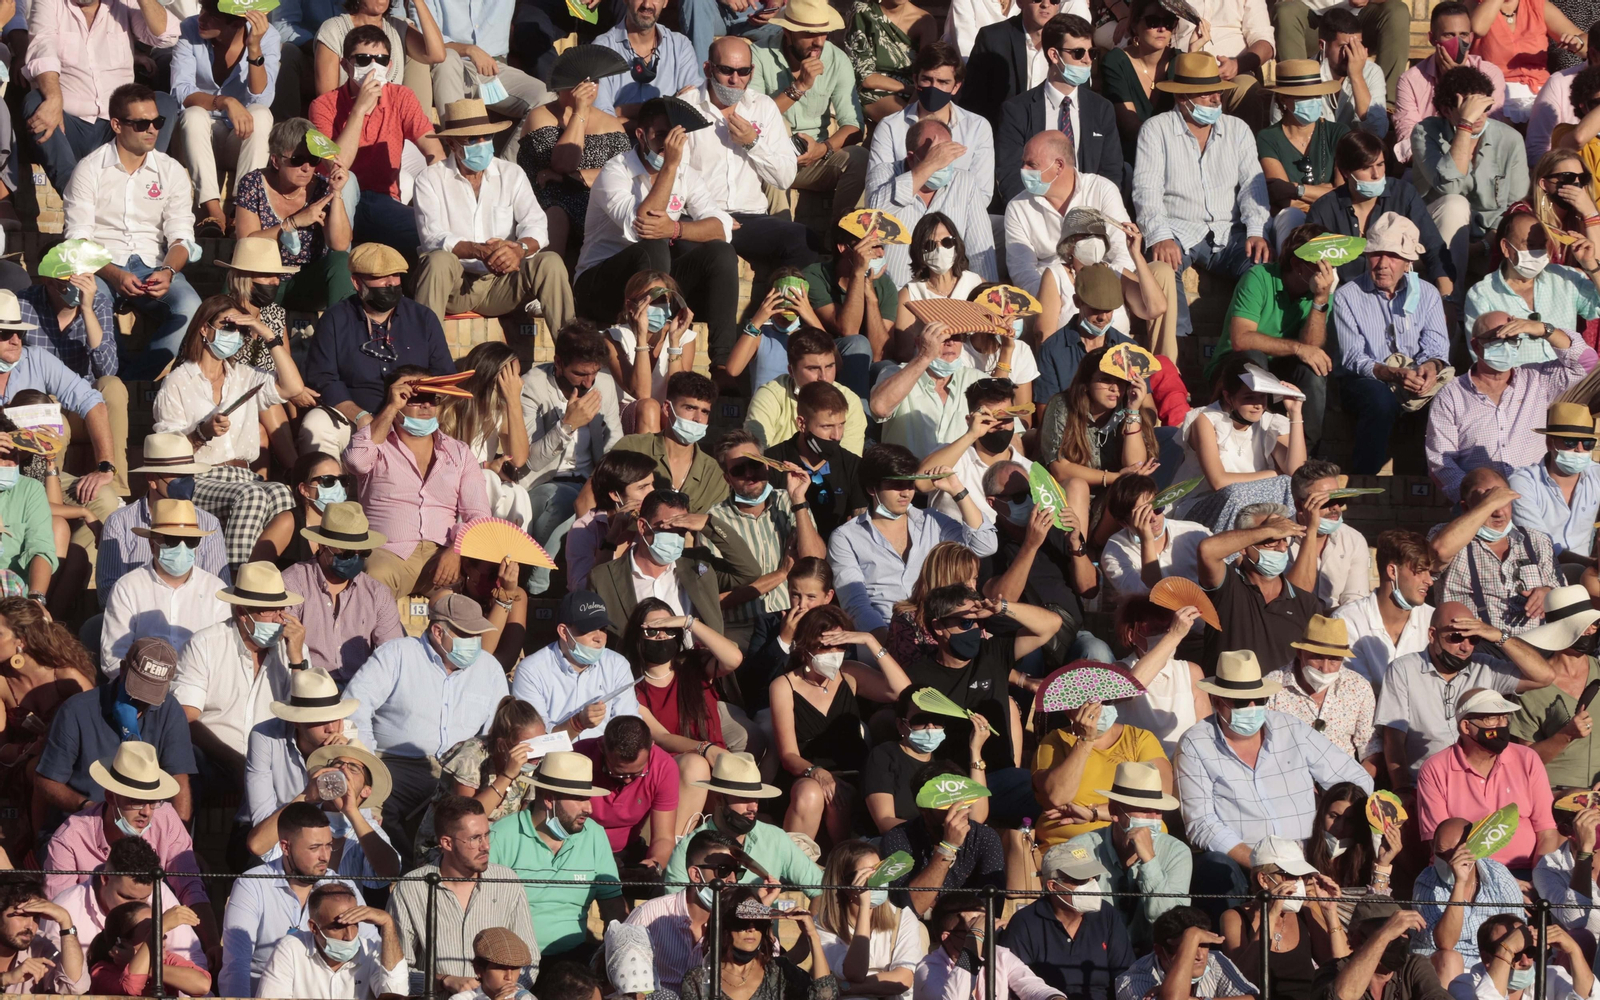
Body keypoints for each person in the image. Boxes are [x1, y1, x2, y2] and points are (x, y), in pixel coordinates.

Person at [574, 98, 738, 371]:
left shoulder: (687, 174)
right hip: (600, 284)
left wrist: (677, 228)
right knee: (654, 247)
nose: (668, 145)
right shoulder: (615, 172)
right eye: (661, 135)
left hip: (654, 277)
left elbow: (720, 227)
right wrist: (670, 167)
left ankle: (722, 365)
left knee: (721, 253)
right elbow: (643, 225)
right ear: (640, 135)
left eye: (675, 136)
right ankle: (648, 353)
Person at [1174, 650, 1373, 868]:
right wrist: (1260, 863)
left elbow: (1357, 780)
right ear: (1216, 701)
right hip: (1243, 864)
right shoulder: (1195, 743)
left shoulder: (1290, 728)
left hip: (1309, 857)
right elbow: (1201, 823)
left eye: (1259, 700)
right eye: (1240, 702)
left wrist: (1335, 832)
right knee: (1214, 865)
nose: (1252, 708)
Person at [150, 295, 301, 572]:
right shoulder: (178, 382)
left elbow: (292, 387)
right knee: (252, 496)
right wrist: (202, 433)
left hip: (243, 474)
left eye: (240, 329)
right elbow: (165, 451)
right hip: (201, 476)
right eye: (227, 325)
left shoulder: (244, 376)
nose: (235, 334)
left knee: (281, 493)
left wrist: (267, 333)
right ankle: (228, 576)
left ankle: (251, 575)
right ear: (205, 329)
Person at [64, 84, 201, 381]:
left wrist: (167, 270)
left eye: (157, 122)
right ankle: (112, 378)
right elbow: (77, 241)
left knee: (191, 307)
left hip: (152, 263)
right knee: (92, 301)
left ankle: (132, 383)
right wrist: (113, 274)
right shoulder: (89, 169)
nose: (152, 130)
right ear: (116, 125)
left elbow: (182, 237)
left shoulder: (172, 171)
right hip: (101, 265)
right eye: (141, 124)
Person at [344, 593, 508, 840]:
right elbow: (355, 705)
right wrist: (369, 764)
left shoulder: (489, 668)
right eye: (466, 635)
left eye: (478, 634)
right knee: (372, 822)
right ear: (438, 632)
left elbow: (497, 729)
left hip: (462, 772)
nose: (475, 641)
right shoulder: (397, 654)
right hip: (396, 766)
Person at [1133, 53, 1269, 340]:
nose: (1216, 98)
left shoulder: (1238, 130)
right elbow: (1147, 190)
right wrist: (1159, 235)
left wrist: (1256, 230)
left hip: (1229, 230)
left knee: (1262, 270)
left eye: (1217, 90)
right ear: (1183, 97)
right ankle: (1178, 353)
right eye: (1206, 93)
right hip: (1178, 229)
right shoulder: (1156, 130)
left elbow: (1252, 187)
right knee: (1164, 268)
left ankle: (1244, 348)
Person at [412, 99, 574, 331]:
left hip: (502, 284)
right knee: (438, 260)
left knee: (550, 262)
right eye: (472, 139)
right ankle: (425, 359)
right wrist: (478, 250)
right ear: (451, 143)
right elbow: (432, 238)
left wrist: (519, 249)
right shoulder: (430, 179)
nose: (482, 144)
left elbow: (536, 224)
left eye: (486, 137)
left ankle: (572, 355)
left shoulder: (511, 173)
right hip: (455, 286)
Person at [1004, 135, 1170, 356]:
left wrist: (1102, 286)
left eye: (1031, 164)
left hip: (1106, 276)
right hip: (1050, 289)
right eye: (1023, 163)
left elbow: (1121, 251)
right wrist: (1057, 294)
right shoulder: (1017, 206)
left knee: (1163, 273)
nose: (1023, 170)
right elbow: (1021, 270)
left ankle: (1166, 366)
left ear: (1058, 165)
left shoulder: (1102, 189)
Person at [42, 742, 214, 947]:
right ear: (110, 796)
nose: (147, 812)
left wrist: (212, 945)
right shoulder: (69, 839)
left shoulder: (166, 817)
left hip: (150, 943)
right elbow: (58, 915)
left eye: (154, 801)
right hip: (86, 949)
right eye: (137, 801)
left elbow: (191, 887)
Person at [1375, 601, 1554, 792]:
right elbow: (1393, 738)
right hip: (1426, 785)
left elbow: (1545, 676)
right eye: (1456, 637)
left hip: (1483, 785)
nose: (1466, 647)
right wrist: (1403, 790)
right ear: (1432, 635)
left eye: (1474, 639)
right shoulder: (1404, 669)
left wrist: (1499, 637)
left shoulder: (1485, 667)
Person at [299, 243, 456, 459]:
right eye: (381, 277)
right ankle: (329, 484)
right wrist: (360, 416)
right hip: (355, 417)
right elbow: (323, 378)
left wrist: (415, 404)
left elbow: (444, 373)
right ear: (357, 282)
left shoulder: (423, 318)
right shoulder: (335, 319)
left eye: (395, 275)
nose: (390, 283)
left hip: (411, 415)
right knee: (316, 424)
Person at [345, 367, 492, 598]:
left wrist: (457, 549)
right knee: (374, 577)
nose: (425, 405)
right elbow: (356, 462)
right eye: (414, 397)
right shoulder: (376, 443)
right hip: (389, 552)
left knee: (458, 614)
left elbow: (480, 515)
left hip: (443, 556)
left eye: (431, 397)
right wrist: (391, 408)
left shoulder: (459, 452)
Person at [770, 604, 911, 841]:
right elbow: (788, 755)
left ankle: (841, 865)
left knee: (838, 796)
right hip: (806, 775)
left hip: (853, 776)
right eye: (826, 646)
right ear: (805, 647)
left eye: (841, 645)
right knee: (811, 791)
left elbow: (905, 693)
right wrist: (816, 772)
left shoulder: (851, 674)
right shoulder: (784, 685)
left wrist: (870, 641)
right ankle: (792, 868)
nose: (834, 652)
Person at [828, 444, 997, 639]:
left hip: (939, 635)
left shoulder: (933, 521)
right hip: (883, 639)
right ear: (872, 489)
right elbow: (856, 605)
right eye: (896, 484)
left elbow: (985, 545)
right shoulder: (845, 537)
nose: (906, 493)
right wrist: (892, 644)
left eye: (910, 484)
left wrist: (957, 490)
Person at [1427, 312, 1598, 503]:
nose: (1507, 346)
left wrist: (1543, 329)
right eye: (1498, 339)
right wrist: (1473, 496)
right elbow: (1440, 460)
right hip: (1480, 505)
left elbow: (1586, 362)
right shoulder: (1451, 395)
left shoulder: (1537, 380)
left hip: (1536, 500)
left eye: (1513, 339)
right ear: (1476, 345)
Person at [171, 561, 308, 795]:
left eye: (281, 609)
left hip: (276, 763)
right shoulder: (205, 644)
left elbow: (306, 719)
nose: (279, 619)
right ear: (242, 613)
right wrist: (234, 762)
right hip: (215, 759)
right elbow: (187, 718)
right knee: (186, 762)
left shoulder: (294, 650)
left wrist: (296, 661)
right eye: (268, 610)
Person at [1332, 213, 1453, 474]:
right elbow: (1354, 358)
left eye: (1394, 256)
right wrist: (1392, 374)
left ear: (1409, 261)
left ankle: (1433, 484)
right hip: (1367, 380)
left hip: (1415, 377)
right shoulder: (1347, 296)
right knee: (1379, 399)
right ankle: (1363, 479)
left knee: (1450, 395)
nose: (1383, 264)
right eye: (1376, 254)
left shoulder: (1428, 294)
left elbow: (1436, 347)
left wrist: (1429, 368)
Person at [682, 37, 814, 275]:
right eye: (726, 70)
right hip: (699, 216)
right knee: (715, 257)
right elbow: (676, 176)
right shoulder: (685, 106)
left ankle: (786, 309)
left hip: (749, 218)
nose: (735, 80)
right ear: (707, 68)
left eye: (743, 71)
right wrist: (712, 216)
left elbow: (785, 178)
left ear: (752, 72)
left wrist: (753, 143)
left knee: (803, 238)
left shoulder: (763, 107)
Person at [307, 27, 444, 252]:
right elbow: (337, 168)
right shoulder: (323, 106)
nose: (373, 66)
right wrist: (359, 110)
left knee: (431, 238)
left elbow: (435, 153)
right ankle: (340, 271)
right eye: (362, 59)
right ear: (345, 65)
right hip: (336, 201)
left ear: (389, 66)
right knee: (348, 179)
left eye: (381, 59)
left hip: (383, 201)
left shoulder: (402, 96)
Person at [21, 0, 180, 195]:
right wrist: (54, 98)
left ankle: (133, 192)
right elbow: (42, 49)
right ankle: (77, 197)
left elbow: (167, 36)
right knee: (36, 102)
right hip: (68, 125)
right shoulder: (49, 3)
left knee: (163, 104)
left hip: (119, 128)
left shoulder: (123, 3)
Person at [387, 795, 539, 997]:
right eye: (475, 838)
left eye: (487, 835)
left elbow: (530, 960)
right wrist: (444, 981)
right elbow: (395, 972)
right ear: (447, 843)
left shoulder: (507, 882)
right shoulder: (411, 888)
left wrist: (508, 993)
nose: (486, 846)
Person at [32, 639, 195, 823]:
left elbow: (179, 778)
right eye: (138, 688)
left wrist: (180, 837)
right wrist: (89, 808)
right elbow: (47, 780)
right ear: (123, 668)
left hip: (145, 824)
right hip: (84, 823)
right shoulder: (77, 710)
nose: (142, 699)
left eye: (152, 692)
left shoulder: (170, 711)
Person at [519, 324, 625, 594]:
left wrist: (598, 483)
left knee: (582, 505)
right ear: (558, 363)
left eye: (593, 372)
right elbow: (529, 460)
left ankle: (541, 585)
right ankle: (540, 585)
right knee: (563, 502)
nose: (588, 382)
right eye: (580, 373)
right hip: (543, 482)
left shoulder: (604, 384)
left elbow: (614, 445)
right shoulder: (532, 386)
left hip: (592, 479)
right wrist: (566, 426)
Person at [218, 803, 365, 997]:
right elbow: (236, 964)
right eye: (314, 847)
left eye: (328, 846)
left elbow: (370, 947)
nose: (324, 856)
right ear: (285, 847)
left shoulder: (341, 886)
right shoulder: (252, 884)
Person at [17, 248, 130, 499]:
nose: (77, 285)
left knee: (112, 385)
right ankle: (47, 494)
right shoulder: (24, 303)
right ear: (47, 280)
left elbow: (107, 368)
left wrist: (87, 310)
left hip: (87, 407)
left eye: (83, 277)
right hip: (45, 406)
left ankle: (115, 489)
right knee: (57, 417)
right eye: (68, 281)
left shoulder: (97, 301)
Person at [1207, 226, 1334, 449]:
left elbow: (1311, 349)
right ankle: (1249, 443)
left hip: (1282, 369)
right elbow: (1241, 339)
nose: (1328, 271)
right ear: (1297, 265)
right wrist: (1297, 348)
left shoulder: (1321, 292)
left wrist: (1320, 300)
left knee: (1312, 370)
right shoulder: (1259, 277)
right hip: (1235, 366)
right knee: (1254, 358)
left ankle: (1306, 452)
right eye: (1321, 263)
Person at [488, 750, 623, 958]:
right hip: (511, 961)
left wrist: (613, 955)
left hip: (574, 961)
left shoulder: (594, 834)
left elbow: (613, 906)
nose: (589, 808)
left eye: (588, 799)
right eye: (579, 799)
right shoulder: (501, 835)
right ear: (550, 799)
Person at [1412, 68, 1530, 299]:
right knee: (1455, 204)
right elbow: (1449, 187)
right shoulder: (1424, 132)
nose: (1480, 116)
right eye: (1471, 109)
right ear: (1446, 110)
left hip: (1493, 238)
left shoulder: (1510, 139)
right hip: (1434, 236)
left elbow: (1515, 205)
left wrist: (1485, 244)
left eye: (1484, 108)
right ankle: (1449, 306)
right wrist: (1464, 127)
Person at [979, 458, 1111, 664]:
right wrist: (1030, 545)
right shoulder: (987, 543)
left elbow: (1090, 590)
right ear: (993, 503)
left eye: (1032, 492)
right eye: (1020, 496)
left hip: (1071, 634)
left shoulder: (1055, 529)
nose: (1031, 501)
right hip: (1022, 639)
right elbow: (1001, 598)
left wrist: (1077, 546)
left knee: (1097, 651)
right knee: (1031, 659)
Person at [749, 0, 869, 224]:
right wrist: (799, 87)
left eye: (823, 33)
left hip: (816, 159)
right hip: (771, 157)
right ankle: (783, 241)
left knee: (860, 158)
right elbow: (753, 119)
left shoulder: (836, 59)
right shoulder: (758, 54)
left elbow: (854, 125)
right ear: (788, 31)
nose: (818, 42)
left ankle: (841, 241)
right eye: (808, 33)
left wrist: (822, 149)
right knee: (777, 134)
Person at [1416, 688, 1561, 872]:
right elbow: (1441, 847)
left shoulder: (1527, 758)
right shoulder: (1435, 769)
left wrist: (1541, 882)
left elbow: (1547, 832)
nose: (1501, 725)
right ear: (1466, 727)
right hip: (1462, 875)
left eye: (1504, 718)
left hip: (1528, 873)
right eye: (1491, 719)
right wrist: (1502, 883)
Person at [707, 429, 826, 644]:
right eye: (739, 470)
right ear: (727, 478)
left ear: (767, 465)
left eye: (755, 464)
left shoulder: (788, 502)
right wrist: (781, 575)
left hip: (792, 616)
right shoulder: (714, 520)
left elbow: (814, 561)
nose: (750, 473)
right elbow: (716, 599)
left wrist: (799, 501)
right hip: (742, 626)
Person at [171, 0, 280, 236]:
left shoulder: (267, 36)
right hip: (197, 136)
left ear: (237, 23)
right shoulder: (190, 28)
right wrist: (225, 101)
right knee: (194, 115)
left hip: (239, 137)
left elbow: (263, 98)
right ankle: (213, 211)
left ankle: (243, 209)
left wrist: (254, 48)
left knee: (261, 115)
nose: (202, 18)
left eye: (212, 16)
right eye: (203, 10)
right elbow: (180, 91)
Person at [992, 14, 1122, 207]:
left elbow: (1111, 172)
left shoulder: (1101, 109)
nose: (1087, 60)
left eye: (1092, 52)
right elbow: (1010, 174)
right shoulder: (1017, 110)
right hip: (1034, 215)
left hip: (1089, 214)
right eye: (1078, 53)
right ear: (1054, 55)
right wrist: (1040, 215)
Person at [1063, 761, 1192, 951]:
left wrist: (1150, 861)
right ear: (1115, 811)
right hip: (1093, 953)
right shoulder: (1081, 849)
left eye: (1158, 812)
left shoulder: (1177, 852)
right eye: (1144, 810)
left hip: (1153, 957)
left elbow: (1171, 924)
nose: (1153, 819)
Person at [1305, 130, 1455, 292]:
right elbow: (1310, 265)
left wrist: (1446, 297)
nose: (1376, 174)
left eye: (1380, 165)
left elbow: (1434, 249)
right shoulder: (1324, 210)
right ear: (1346, 172)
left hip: (1399, 293)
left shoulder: (1403, 194)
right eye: (1366, 168)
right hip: (1346, 296)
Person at [518, 46, 632, 259]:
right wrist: (579, 113)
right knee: (557, 208)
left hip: (596, 202)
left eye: (594, 81)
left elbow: (624, 172)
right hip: (550, 203)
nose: (589, 88)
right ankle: (548, 275)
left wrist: (570, 178)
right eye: (581, 82)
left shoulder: (612, 125)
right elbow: (562, 163)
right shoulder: (541, 116)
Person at [1031, 679, 1172, 847]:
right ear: (1070, 711)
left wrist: (1094, 813)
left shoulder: (1140, 738)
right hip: (1070, 846)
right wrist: (1085, 740)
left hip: (1135, 839)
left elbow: (1159, 797)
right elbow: (1057, 797)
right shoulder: (1055, 741)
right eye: (1089, 703)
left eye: (1105, 700)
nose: (1098, 708)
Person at [1040, 347, 1158, 545]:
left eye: (1120, 381)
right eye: (1105, 380)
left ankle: (1097, 550)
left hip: (1109, 502)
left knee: (1132, 489)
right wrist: (1115, 477)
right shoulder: (1062, 405)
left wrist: (1133, 411)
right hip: (1066, 496)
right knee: (1077, 485)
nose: (1114, 388)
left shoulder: (1127, 409)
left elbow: (1135, 466)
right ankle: (1077, 555)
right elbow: (1060, 469)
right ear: (1086, 384)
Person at [663, 752, 824, 896]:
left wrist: (811, 928)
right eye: (743, 798)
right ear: (719, 798)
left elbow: (822, 889)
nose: (753, 807)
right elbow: (676, 913)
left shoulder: (775, 839)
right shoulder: (688, 849)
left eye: (756, 799)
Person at [276, 502, 402, 684]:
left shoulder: (377, 594)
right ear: (322, 546)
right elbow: (284, 643)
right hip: (307, 685)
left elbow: (392, 654)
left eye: (363, 553)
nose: (355, 559)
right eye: (347, 553)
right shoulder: (292, 583)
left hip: (361, 690)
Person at [867, 41, 994, 212]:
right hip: (903, 216)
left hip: (956, 219)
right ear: (915, 79)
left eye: (943, 82)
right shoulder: (890, 127)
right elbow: (877, 190)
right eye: (927, 80)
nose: (934, 88)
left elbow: (983, 194)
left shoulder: (977, 127)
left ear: (956, 87)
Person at [1430, 468, 1562, 634]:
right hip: (1474, 648)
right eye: (1489, 503)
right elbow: (1438, 552)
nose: (1499, 512)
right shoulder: (1445, 536)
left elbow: (1561, 590)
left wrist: (1548, 593)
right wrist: (1488, 504)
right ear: (1466, 507)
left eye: (1503, 502)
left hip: (1532, 647)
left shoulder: (1536, 540)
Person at [867, 117, 995, 287]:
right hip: (895, 294)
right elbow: (874, 218)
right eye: (935, 157)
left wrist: (987, 299)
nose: (942, 164)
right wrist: (927, 167)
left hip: (947, 296)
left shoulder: (964, 182)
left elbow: (981, 250)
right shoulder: (885, 174)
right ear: (912, 159)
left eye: (946, 156)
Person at [99, 499, 228, 668]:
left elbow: (225, 654)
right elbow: (114, 657)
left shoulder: (216, 590)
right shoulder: (127, 588)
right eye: (172, 540)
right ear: (152, 545)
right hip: (141, 687)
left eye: (191, 541)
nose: (182, 547)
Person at [43, 836, 205, 968]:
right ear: (106, 878)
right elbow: (52, 976)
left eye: (144, 899)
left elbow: (192, 959)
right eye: (127, 897)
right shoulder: (66, 908)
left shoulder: (159, 892)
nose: (136, 907)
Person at [1195, 503, 1320, 672]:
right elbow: (1207, 550)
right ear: (1244, 547)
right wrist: (1269, 529)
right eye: (1270, 541)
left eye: (1284, 539)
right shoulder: (1227, 586)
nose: (1282, 547)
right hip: (1228, 697)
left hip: (1280, 697)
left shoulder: (1305, 602)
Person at [511, 590, 642, 742]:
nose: (599, 637)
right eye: (588, 629)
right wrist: (577, 723)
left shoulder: (617, 665)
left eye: (603, 628)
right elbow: (536, 740)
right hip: (551, 762)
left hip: (605, 759)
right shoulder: (531, 670)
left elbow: (628, 726)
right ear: (564, 632)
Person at [598, 371, 727, 515]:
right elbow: (591, 501)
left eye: (705, 412)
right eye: (690, 408)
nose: (698, 418)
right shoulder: (632, 448)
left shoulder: (714, 474)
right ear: (667, 408)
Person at [1410, 817, 1525, 977]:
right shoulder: (1426, 883)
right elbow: (1445, 943)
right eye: (1440, 855)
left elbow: (1518, 931)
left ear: (1474, 850)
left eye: (1454, 855)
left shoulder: (1498, 875)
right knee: (1450, 959)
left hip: (1490, 963)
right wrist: (1459, 883)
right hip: (1439, 966)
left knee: (1522, 968)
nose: (1448, 862)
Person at [1393, 1, 1506, 163]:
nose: (1457, 42)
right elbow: (1408, 137)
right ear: (1432, 39)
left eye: (1463, 35)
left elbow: (1492, 126)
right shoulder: (1410, 80)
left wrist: (1459, 78)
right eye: (1449, 35)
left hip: (1480, 160)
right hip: (1430, 164)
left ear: (1471, 37)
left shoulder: (1489, 73)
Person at [1510, 587, 1600, 789]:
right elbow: (1525, 761)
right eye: (1583, 625)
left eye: (1594, 624)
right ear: (1560, 629)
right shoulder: (1530, 687)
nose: (1590, 630)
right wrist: (1565, 735)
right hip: (1556, 798)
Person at [257, 882, 409, 999]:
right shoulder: (291, 949)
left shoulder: (372, 950)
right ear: (313, 928)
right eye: (338, 927)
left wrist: (388, 923)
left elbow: (396, 993)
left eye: (355, 924)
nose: (349, 936)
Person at [1257, 62, 1348, 251]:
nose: (1313, 101)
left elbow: (1344, 194)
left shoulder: (1338, 132)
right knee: (1291, 215)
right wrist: (1325, 189)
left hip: (1332, 216)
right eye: (1304, 97)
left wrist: (1297, 189)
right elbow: (1283, 198)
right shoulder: (1268, 137)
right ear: (1284, 99)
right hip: (1291, 220)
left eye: (1316, 95)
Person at [812, 840, 920, 1000]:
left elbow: (903, 979)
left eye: (880, 871)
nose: (879, 881)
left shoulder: (903, 917)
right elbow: (855, 972)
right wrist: (864, 907)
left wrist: (846, 988)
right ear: (844, 883)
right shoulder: (824, 924)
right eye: (868, 876)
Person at [681, 890, 836, 1000]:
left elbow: (826, 996)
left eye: (759, 922)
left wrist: (813, 936)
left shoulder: (778, 971)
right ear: (723, 925)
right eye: (742, 922)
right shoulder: (698, 979)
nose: (752, 928)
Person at [1264, 615, 1376, 764]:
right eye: (1317, 657)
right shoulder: (1272, 687)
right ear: (1300, 653)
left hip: (1343, 781)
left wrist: (1359, 782)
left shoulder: (1359, 688)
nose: (1325, 668)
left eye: (1334, 659)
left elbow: (1369, 747)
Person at [573, 716, 679, 871]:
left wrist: (654, 863)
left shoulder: (664, 767)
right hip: (577, 850)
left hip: (628, 853)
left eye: (637, 773)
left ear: (651, 746)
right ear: (602, 748)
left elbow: (664, 837)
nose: (628, 781)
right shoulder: (579, 757)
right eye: (618, 773)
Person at [916, 892, 1064, 1000]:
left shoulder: (999, 955)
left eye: (988, 926)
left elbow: (1032, 987)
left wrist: (1053, 998)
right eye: (976, 928)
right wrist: (974, 939)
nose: (987, 934)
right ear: (947, 938)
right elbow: (954, 998)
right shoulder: (928, 968)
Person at [1333, 530, 1434, 688]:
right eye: (1420, 572)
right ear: (1393, 571)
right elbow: (1354, 690)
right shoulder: (1347, 620)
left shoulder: (1433, 619)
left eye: (1430, 572)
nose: (1429, 581)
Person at [746, 328, 870, 456]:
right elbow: (756, 456)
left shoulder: (850, 401)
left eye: (829, 366)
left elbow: (849, 465)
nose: (824, 377)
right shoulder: (770, 396)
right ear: (791, 370)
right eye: (813, 368)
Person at [1268, 11, 1388, 138]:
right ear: (1322, 45)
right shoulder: (1301, 73)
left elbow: (1377, 132)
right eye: (1344, 46)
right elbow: (1277, 131)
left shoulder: (1371, 72)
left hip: (1355, 154)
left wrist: (1357, 76)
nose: (1350, 53)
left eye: (1357, 45)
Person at [1113, 601, 1212, 755]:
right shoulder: (1119, 671)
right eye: (1153, 630)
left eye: (1167, 627)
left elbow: (1205, 733)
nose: (1163, 634)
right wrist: (1174, 635)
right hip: (1139, 771)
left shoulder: (1191, 672)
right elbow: (1130, 687)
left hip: (1183, 767)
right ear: (1131, 635)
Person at [1508, 403, 1600, 562]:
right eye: (1570, 442)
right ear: (1550, 443)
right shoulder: (1523, 483)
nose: (1579, 449)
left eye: (1587, 444)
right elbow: (1540, 546)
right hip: (1539, 569)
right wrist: (1590, 565)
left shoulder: (1596, 474)